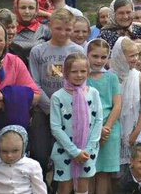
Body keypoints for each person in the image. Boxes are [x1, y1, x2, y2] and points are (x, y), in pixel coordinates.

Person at [29, 9, 84, 176]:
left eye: (68, 29)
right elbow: (34, 82)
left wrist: (64, 107)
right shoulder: (38, 51)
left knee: (66, 152)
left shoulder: (77, 51)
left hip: (69, 110)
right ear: (50, 26)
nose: (63, 33)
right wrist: (50, 107)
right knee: (40, 153)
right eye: (58, 28)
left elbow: (81, 81)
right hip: (42, 110)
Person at [49, 53, 103, 194]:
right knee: (64, 188)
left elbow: (98, 121)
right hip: (64, 150)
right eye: (74, 71)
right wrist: (74, 152)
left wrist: (88, 149)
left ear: (88, 71)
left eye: (83, 71)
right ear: (65, 73)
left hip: (87, 151)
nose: (79, 75)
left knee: (83, 187)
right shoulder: (58, 97)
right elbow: (55, 127)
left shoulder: (93, 93)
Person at [85, 38, 121, 193]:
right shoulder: (82, 78)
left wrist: (106, 127)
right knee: (88, 170)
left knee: (104, 172)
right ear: (87, 55)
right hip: (87, 128)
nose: (99, 61)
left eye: (103, 57)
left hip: (109, 128)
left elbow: (117, 104)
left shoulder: (111, 77)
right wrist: (94, 129)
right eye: (94, 56)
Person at [111, 37, 141, 170]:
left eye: (137, 55)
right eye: (131, 56)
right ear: (120, 56)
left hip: (134, 129)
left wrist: (137, 131)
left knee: (134, 169)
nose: (136, 59)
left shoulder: (140, 77)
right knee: (115, 172)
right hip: (114, 130)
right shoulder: (110, 77)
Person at [0, 125, 47, 193]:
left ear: (23, 148)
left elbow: (39, 189)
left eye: (15, 151)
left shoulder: (32, 165)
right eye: (4, 151)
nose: (9, 155)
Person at [10, 0, 52, 65]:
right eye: (23, 7)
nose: (27, 11)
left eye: (31, 8)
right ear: (16, 9)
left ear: (36, 10)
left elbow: (56, 54)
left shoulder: (45, 30)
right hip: (15, 73)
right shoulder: (8, 30)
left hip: (41, 73)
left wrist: (56, 75)